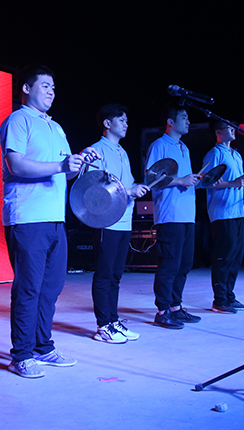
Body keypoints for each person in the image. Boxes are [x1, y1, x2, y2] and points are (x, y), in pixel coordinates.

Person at [0, 65, 99, 378]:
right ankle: (21, 354)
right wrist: (60, 165)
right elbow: (15, 164)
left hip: (55, 219)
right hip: (28, 217)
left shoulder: (56, 127)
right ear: (26, 89)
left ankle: (43, 347)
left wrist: (80, 162)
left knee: (51, 288)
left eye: (54, 87)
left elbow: (64, 172)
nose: (51, 91)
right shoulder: (19, 120)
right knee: (29, 287)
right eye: (44, 85)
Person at [88, 104, 150, 343]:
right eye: (121, 120)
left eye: (126, 120)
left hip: (125, 219)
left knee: (116, 275)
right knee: (104, 275)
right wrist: (129, 190)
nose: (126, 124)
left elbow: (127, 183)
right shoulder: (97, 151)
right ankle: (103, 326)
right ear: (107, 123)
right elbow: (94, 188)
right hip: (107, 221)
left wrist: (136, 188)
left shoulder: (122, 151)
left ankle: (113, 321)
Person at [145, 105, 201, 329]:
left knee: (184, 263)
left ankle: (176, 307)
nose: (188, 121)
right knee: (169, 264)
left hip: (187, 213)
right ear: (170, 121)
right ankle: (162, 310)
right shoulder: (159, 145)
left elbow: (186, 179)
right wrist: (180, 180)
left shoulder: (184, 147)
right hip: (170, 213)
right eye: (184, 118)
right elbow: (150, 178)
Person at [202, 120, 244, 314]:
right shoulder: (214, 154)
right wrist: (233, 183)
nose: (233, 130)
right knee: (224, 256)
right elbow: (206, 181)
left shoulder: (236, 155)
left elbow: (239, 184)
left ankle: (229, 296)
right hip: (222, 212)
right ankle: (220, 299)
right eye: (229, 128)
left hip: (238, 210)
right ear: (219, 132)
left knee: (236, 256)